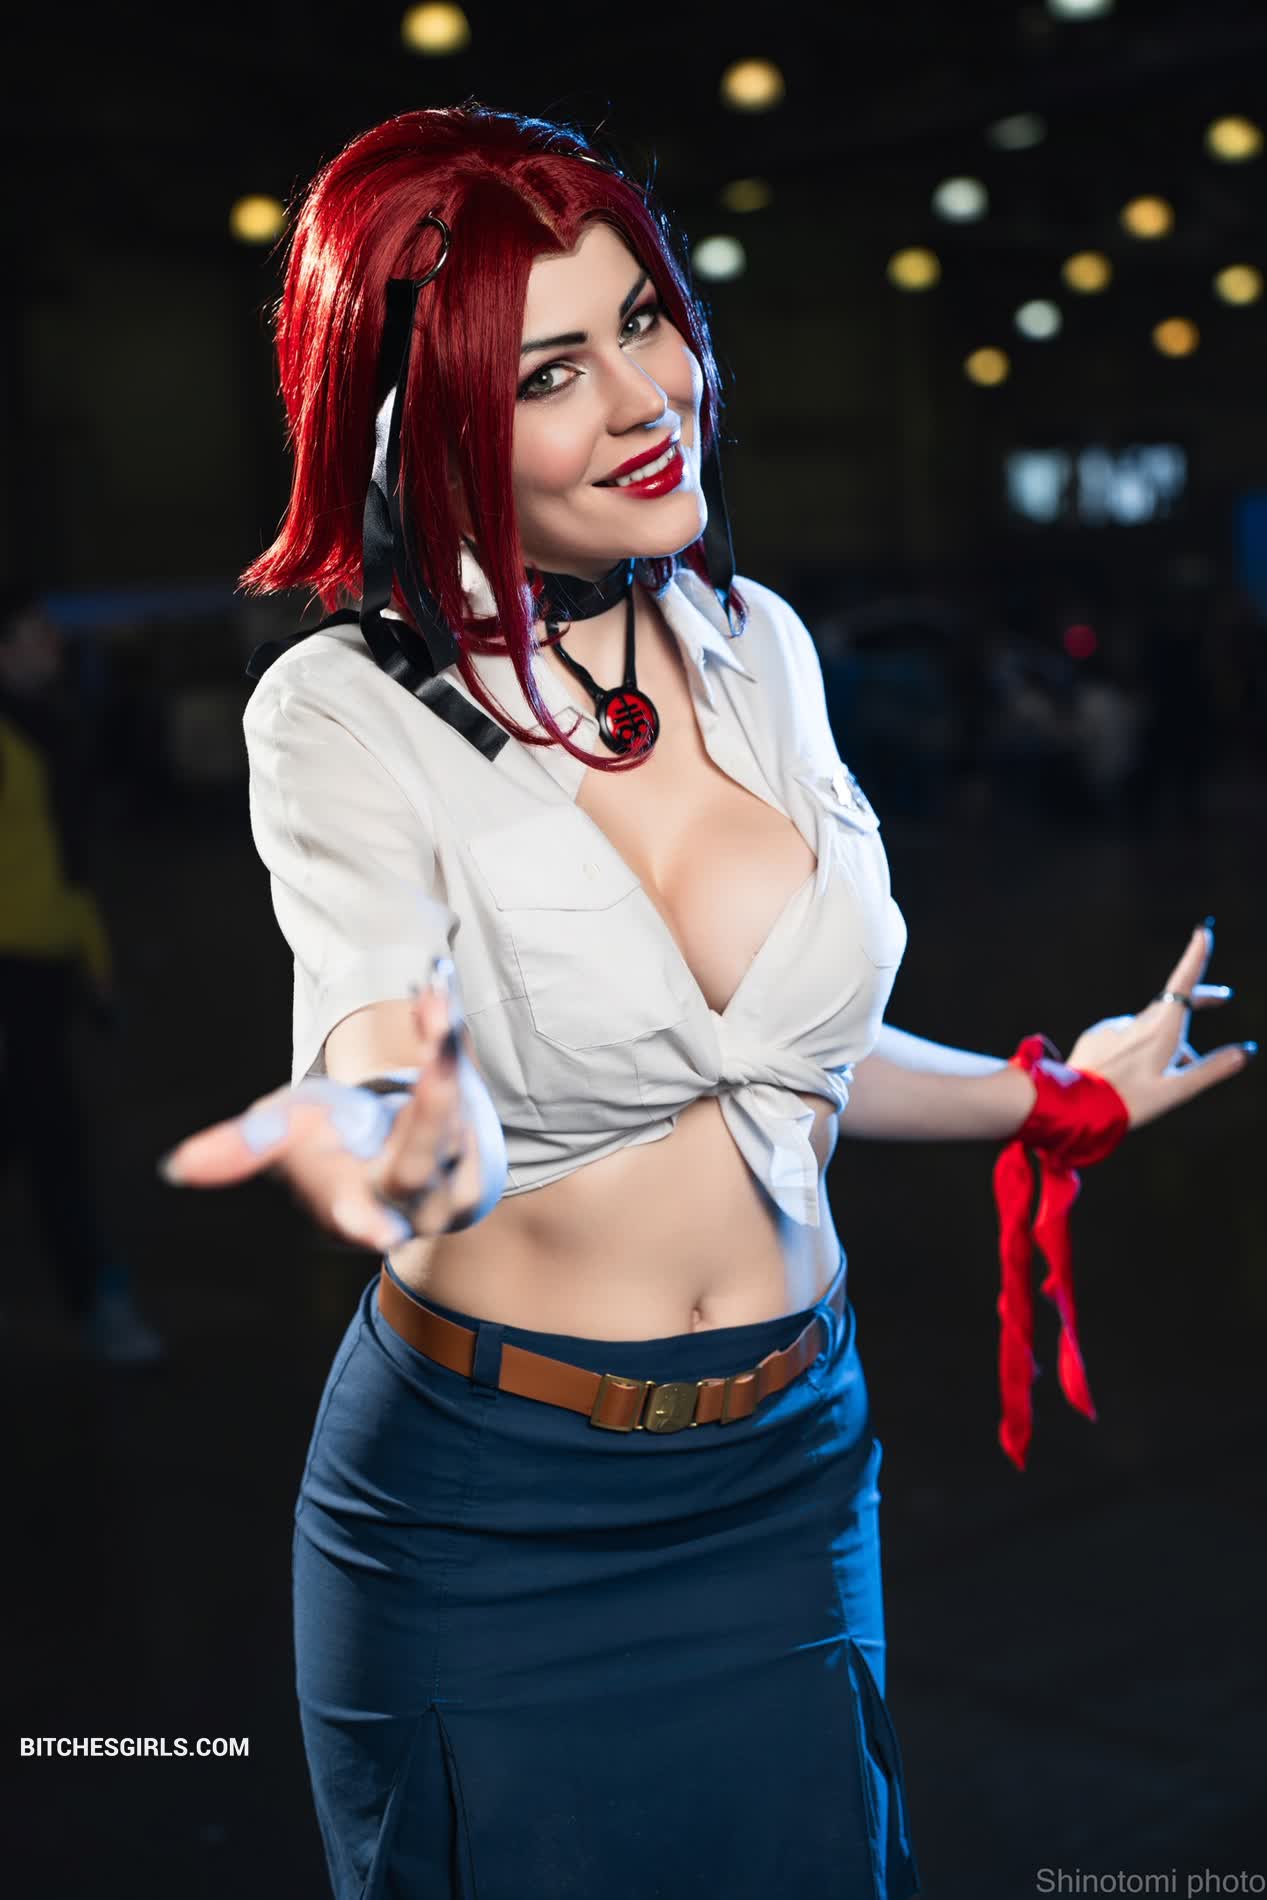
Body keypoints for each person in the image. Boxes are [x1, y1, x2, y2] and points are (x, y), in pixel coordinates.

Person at [156, 106, 1252, 1899]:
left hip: (791, 1472)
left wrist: (1053, 1096)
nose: (641, 398)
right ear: (417, 420)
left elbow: (780, 1066)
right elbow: (369, 1003)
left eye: (644, 322)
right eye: (550, 373)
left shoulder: (761, 651)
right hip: (490, 1514)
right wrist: (377, 1121)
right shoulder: (339, 713)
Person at [0, 586, 165, 1364]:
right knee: (54, 1139)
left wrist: (92, 963)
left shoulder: (47, 730)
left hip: (47, 966)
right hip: (10, 971)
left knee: (37, 1134)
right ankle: (99, 1301)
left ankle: (95, 1298)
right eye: (35, 635)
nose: (52, 646)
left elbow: (67, 866)